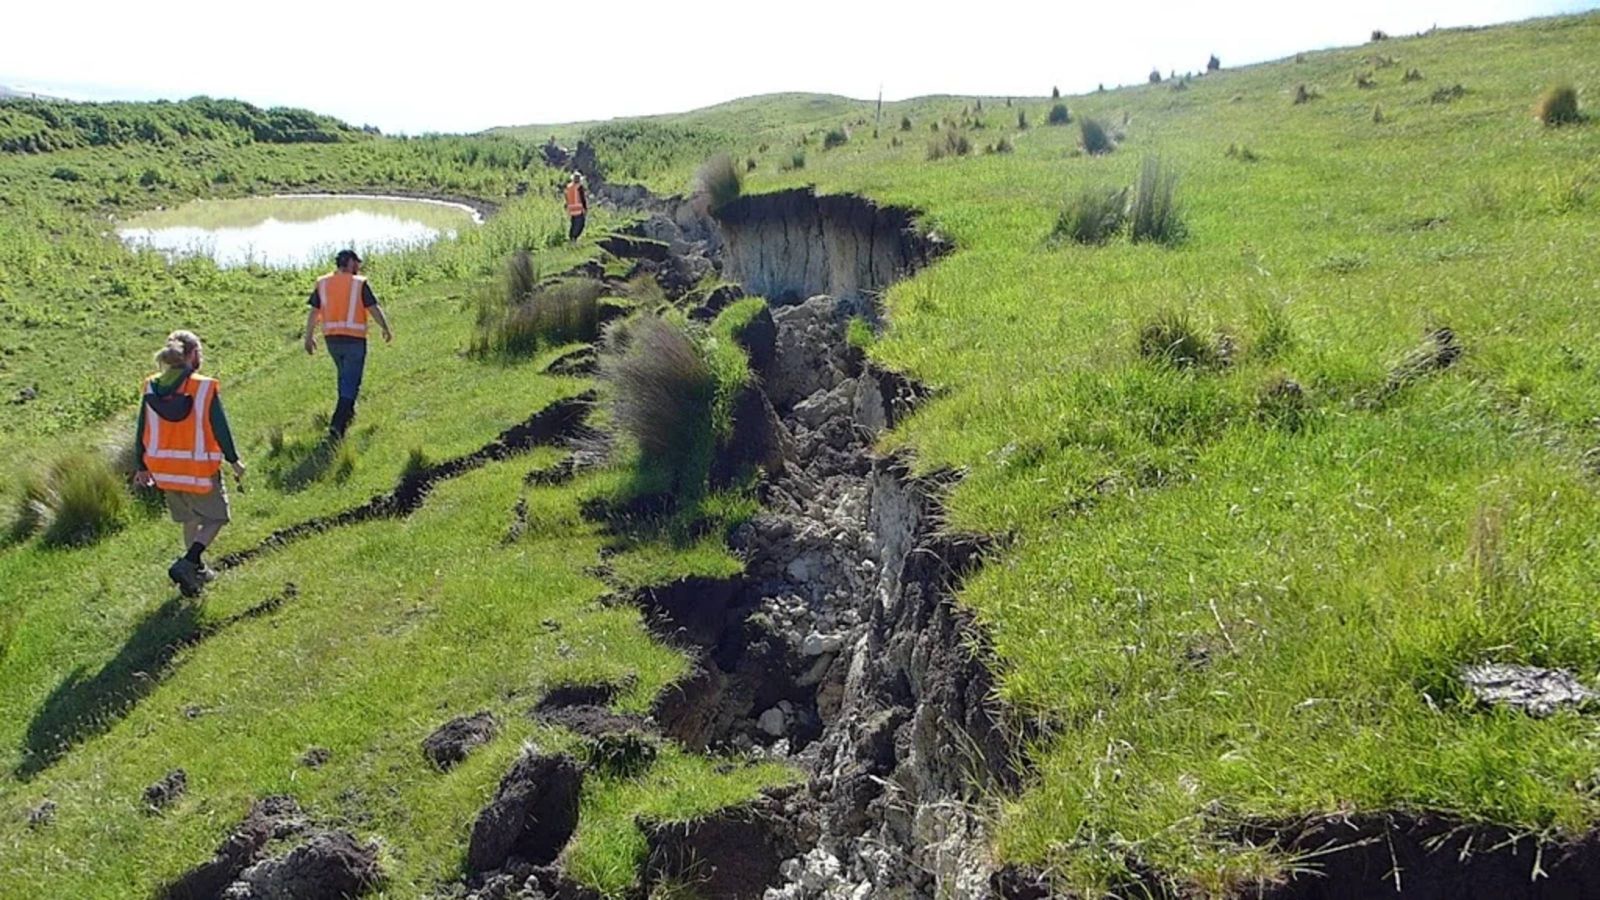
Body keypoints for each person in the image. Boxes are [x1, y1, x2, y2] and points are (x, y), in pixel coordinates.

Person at [133, 330, 246, 597]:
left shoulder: (151, 387)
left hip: (165, 471)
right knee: (217, 517)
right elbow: (220, 427)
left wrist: (141, 465)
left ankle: (195, 572)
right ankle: (190, 561)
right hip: (198, 470)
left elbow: (141, 428)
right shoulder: (203, 387)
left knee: (189, 518)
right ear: (192, 355)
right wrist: (234, 460)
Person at [303, 249, 393, 439]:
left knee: (344, 377)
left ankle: (349, 414)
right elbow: (373, 308)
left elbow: (314, 312)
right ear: (350, 262)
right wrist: (385, 327)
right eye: (357, 263)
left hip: (332, 339)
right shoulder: (359, 283)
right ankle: (337, 425)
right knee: (352, 382)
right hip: (354, 339)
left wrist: (308, 336)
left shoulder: (323, 283)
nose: (359, 266)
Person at [564, 171, 588, 243]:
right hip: (578, 210)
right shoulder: (579, 187)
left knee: (573, 224)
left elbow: (566, 197)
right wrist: (585, 208)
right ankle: (574, 238)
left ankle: (571, 238)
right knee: (580, 225)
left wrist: (567, 206)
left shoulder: (569, 187)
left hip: (571, 210)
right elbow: (582, 198)